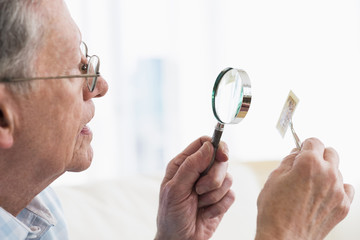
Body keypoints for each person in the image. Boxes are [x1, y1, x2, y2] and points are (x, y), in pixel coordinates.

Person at [0, 0, 354, 240]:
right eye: (77, 69)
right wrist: (285, 231)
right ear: (3, 117)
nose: (100, 86)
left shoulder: (36, 212)